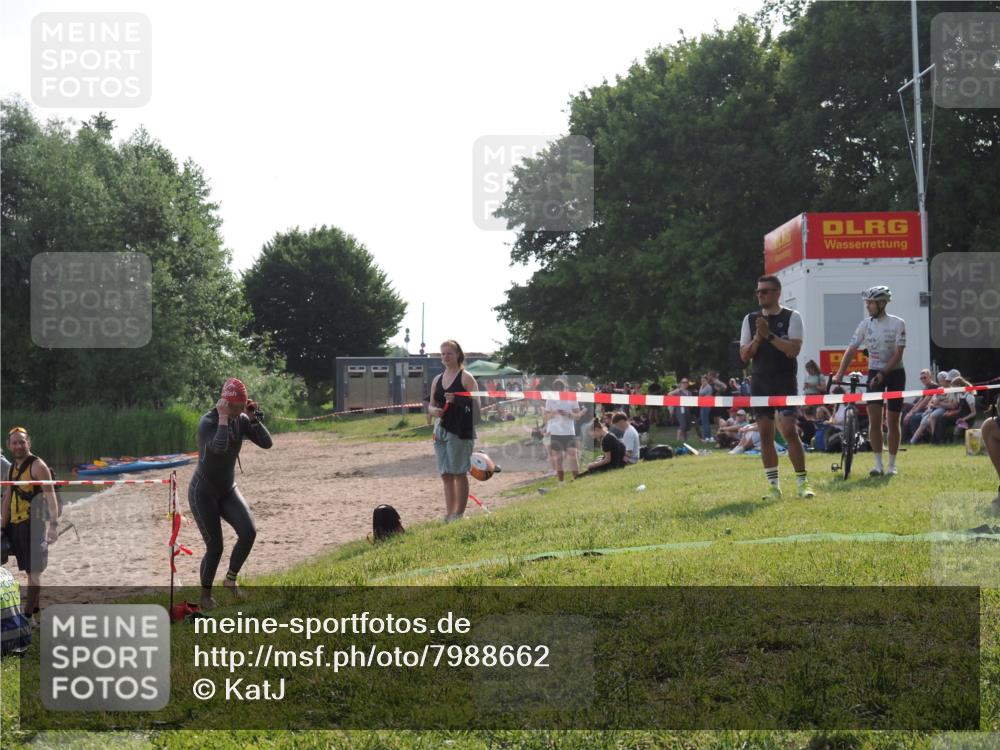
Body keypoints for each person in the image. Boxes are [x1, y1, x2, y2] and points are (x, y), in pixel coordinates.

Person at [188, 378, 272, 611]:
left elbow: (267, 443)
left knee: (249, 531)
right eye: (236, 407)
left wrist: (254, 420)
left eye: (242, 407)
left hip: (227, 489)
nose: (239, 412)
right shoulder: (208, 422)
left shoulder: (241, 419)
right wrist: (224, 418)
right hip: (203, 492)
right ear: (225, 403)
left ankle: (230, 580)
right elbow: (219, 447)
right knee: (215, 546)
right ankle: (205, 594)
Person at [739, 275, 815, 499]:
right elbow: (744, 355)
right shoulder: (750, 319)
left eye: (765, 291)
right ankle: (774, 486)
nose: (760, 295)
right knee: (764, 434)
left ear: (777, 293)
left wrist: (769, 335)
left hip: (784, 380)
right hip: (760, 381)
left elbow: (793, 350)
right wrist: (758, 339)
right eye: (758, 291)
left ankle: (803, 482)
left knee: (790, 430)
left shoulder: (792, 317)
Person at [833, 286, 906, 477]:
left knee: (892, 420)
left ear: (881, 304)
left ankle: (891, 465)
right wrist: (840, 374)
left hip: (895, 372)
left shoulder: (898, 323)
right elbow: (851, 349)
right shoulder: (865, 325)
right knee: (874, 420)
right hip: (874, 372)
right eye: (867, 303)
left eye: (870, 303)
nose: (867, 306)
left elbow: (898, 354)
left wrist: (883, 373)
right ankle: (878, 464)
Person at [1, 427, 60, 627]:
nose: (18, 446)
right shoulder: (11, 468)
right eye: (15, 442)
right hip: (13, 525)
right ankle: (34, 610)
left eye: (22, 442)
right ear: (9, 446)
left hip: (33, 526)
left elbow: (51, 495)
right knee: (27, 570)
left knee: (34, 572)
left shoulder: (38, 466)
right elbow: (8, 496)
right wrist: (2, 525)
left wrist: (53, 525)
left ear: (29, 443)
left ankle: (27, 617)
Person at [428, 340, 480, 521]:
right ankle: (449, 513)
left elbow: (478, 407)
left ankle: (459, 514)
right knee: (446, 474)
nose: (445, 357)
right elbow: (431, 405)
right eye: (442, 354)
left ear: (458, 354)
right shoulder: (437, 379)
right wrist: (433, 411)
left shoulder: (466, 377)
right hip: (440, 429)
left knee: (458, 472)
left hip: (459, 430)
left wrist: (458, 400)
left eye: (449, 353)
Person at [543, 379, 583, 486]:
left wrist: (569, 414)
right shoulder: (550, 399)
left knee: (573, 457)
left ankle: (577, 479)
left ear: (565, 388)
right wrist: (553, 413)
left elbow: (578, 416)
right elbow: (545, 417)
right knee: (558, 459)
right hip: (555, 433)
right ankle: (561, 483)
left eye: (561, 390)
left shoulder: (571, 397)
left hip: (569, 432)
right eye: (557, 391)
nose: (559, 393)